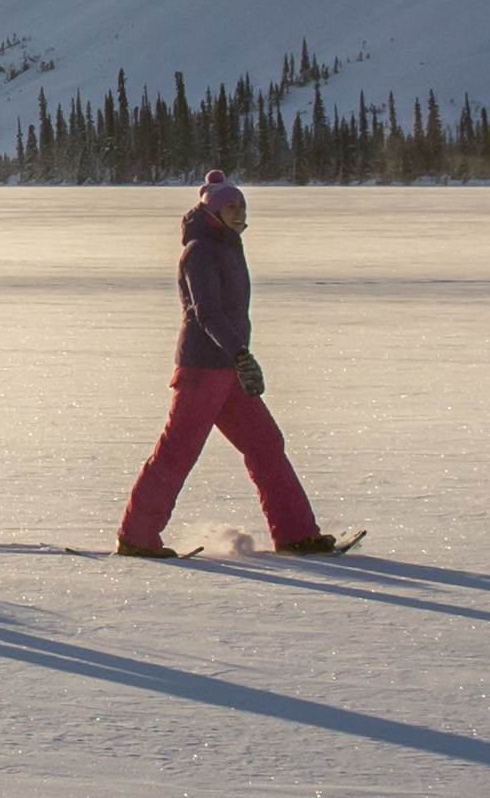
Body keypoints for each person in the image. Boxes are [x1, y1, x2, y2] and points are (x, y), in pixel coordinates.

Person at [118, 169, 350, 558]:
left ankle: (295, 534)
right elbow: (206, 312)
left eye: (242, 206)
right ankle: (137, 536)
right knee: (178, 451)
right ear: (213, 213)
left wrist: (238, 357)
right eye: (231, 207)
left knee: (266, 444)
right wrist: (240, 353)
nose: (239, 214)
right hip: (202, 370)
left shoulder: (226, 246)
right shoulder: (199, 251)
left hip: (228, 370)